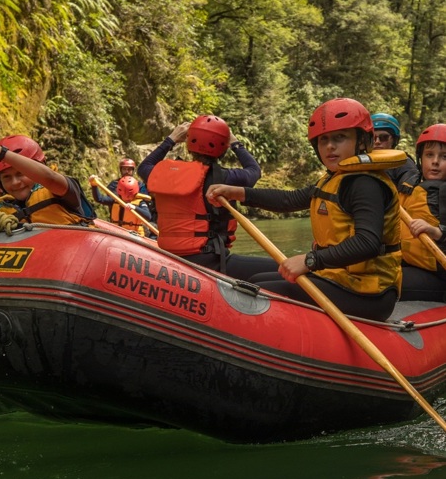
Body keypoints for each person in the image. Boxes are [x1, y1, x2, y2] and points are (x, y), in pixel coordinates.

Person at [207, 98, 406, 321]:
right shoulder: (336, 179)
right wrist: (240, 193)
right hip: (340, 278)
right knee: (256, 278)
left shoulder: (365, 184)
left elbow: (367, 243)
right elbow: (289, 200)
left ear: (361, 141)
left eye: (340, 137)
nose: (330, 146)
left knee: (260, 287)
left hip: (370, 293)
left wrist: (310, 260)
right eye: (323, 140)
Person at [138, 115, 262, 273]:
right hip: (209, 261)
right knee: (278, 268)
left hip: (171, 255)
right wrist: (236, 144)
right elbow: (254, 171)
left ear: (189, 145)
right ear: (223, 148)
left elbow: (144, 167)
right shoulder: (224, 178)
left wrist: (171, 139)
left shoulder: (165, 174)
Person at [0, 131, 96, 224]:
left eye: (21, 173)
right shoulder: (1, 212)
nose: (15, 182)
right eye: (7, 177)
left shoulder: (62, 190)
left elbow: (49, 178)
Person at [399, 123, 446, 301]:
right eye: (429, 155)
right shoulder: (410, 183)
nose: (435, 161)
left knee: (385, 282)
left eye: (444, 156)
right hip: (409, 263)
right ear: (420, 159)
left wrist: (437, 232)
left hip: (439, 276)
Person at [371, 112, 419, 194]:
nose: (377, 142)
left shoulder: (403, 162)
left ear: (394, 140)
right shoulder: (357, 162)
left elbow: (411, 177)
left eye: (383, 137)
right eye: (373, 138)